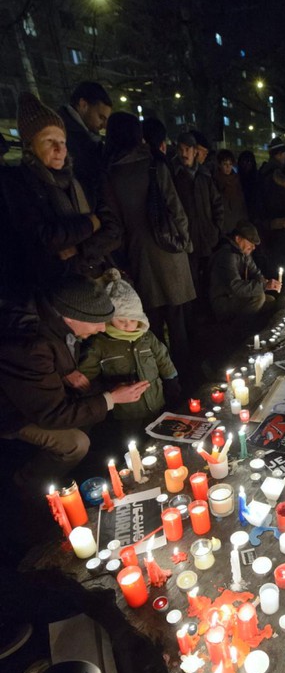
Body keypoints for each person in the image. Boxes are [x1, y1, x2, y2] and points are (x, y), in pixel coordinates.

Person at [0, 276, 149, 487]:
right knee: (75, 444)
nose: (103, 328)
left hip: (37, 395)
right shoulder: (32, 344)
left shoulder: (54, 319)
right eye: (97, 322)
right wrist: (111, 398)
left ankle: (80, 467)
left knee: (89, 404)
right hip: (11, 412)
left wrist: (67, 371)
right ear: (71, 318)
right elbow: (51, 413)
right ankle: (31, 485)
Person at [103, 113, 195, 377]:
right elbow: (176, 210)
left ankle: (159, 378)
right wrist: (185, 244)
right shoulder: (154, 166)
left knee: (150, 322)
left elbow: (114, 222)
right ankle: (185, 377)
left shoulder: (109, 174)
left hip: (138, 253)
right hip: (169, 251)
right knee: (178, 321)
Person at [1, 92, 120, 291]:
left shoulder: (79, 180)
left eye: (62, 141)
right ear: (30, 146)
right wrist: (91, 222)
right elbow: (44, 238)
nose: (59, 149)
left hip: (94, 276)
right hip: (55, 288)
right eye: (49, 141)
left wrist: (80, 249)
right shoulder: (18, 184)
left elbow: (114, 230)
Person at [80, 270, 180, 420]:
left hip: (156, 401)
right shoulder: (100, 344)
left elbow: (162, 358)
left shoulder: (146, 337)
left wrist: (171, 380)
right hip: (126, 412)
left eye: (133, 320)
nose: (128, 325)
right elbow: (87, 377)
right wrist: (106, 389)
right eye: (121, 320)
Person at [171, 132, 224, 302]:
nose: (184, 153)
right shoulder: (174, 175)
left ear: (195, 152)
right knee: (191, 281)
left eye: (188, 149)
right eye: (181, 149)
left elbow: (217, 203)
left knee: (209, 278)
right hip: (187, 239)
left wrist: (216, 229)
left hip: (207, 237)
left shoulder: (204, 176)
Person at [208, 221, 281, 325]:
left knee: (270, 300)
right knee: (259, 297)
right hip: (223, 299)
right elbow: (235, 286)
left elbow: (255, 272)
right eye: (250, 242)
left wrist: (264, 282)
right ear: (238, 239)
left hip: (235, 296)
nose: (254, 247)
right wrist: (264, 286)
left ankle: (257, 327)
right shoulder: (227, 255)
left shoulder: (243, 253)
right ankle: (240, 329)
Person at [57, 81, 112, 208]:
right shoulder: (64, 136)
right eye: (101, 117)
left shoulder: (85, 136)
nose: (104, 125)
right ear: (83, 105)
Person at [214, 149, 248, 234]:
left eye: (230, 164)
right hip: (223, 224)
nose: (228, 167)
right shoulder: (215, 181)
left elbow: (241, 202)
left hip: (237, 221)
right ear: (219, 165)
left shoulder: (236, 180)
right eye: (225, 164)